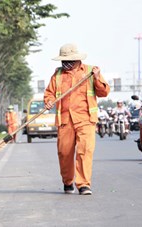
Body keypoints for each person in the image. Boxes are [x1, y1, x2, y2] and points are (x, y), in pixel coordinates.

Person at [43, 43, 110, 195]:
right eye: (63, 61)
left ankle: (83, 184)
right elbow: (49, 93)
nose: (66, 64)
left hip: (85, 120)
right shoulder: (58, 75)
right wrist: (48, 100)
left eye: (69, 61)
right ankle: (67, 182)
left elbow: (104, 92)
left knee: (85, 151)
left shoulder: (91, 72)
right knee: (64, 153)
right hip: (65, 121)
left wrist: (98, 78)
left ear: (77, 59)